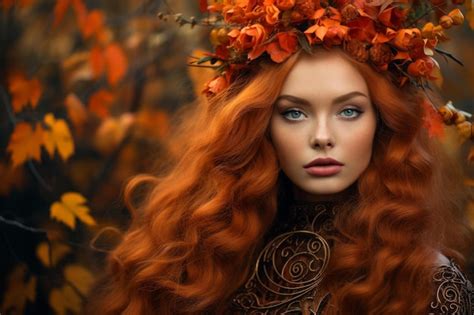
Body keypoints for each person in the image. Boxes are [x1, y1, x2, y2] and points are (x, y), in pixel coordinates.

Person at [86, 1, 474, 314]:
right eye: (294, 112)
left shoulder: (426, 284)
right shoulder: (204, 256)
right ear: (259, 126)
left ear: (383, 123)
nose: (322, 137)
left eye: (349, 111)